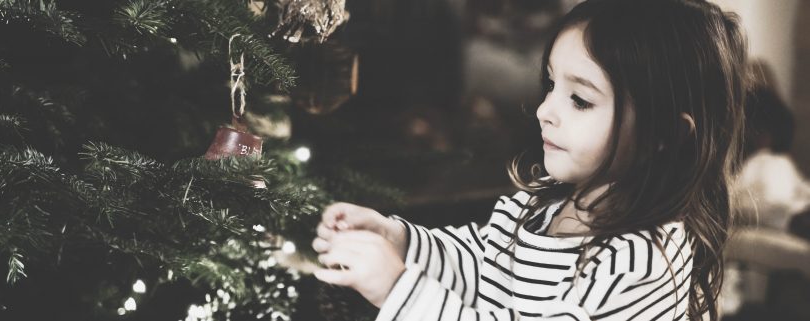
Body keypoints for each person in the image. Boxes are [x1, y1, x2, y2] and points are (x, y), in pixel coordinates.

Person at [310, 0, 748, 320]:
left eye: (579, 100)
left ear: (664, 135)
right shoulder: (540, 208)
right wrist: (395, 238)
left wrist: (398, 288)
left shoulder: (640, 263)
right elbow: (477, 265)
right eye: (551, 85)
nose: (545, 110)